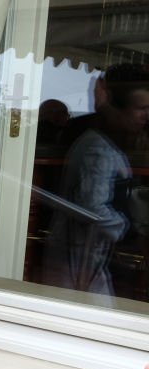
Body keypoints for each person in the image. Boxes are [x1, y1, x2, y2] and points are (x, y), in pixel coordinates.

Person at [42, 64, 149, 296]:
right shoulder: (97, 150)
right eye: (141, 108)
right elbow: (91, 207)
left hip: (90, 257)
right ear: (117, 107)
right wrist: (127, 230)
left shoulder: (107, 144)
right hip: (79, 260)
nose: (146, 116)